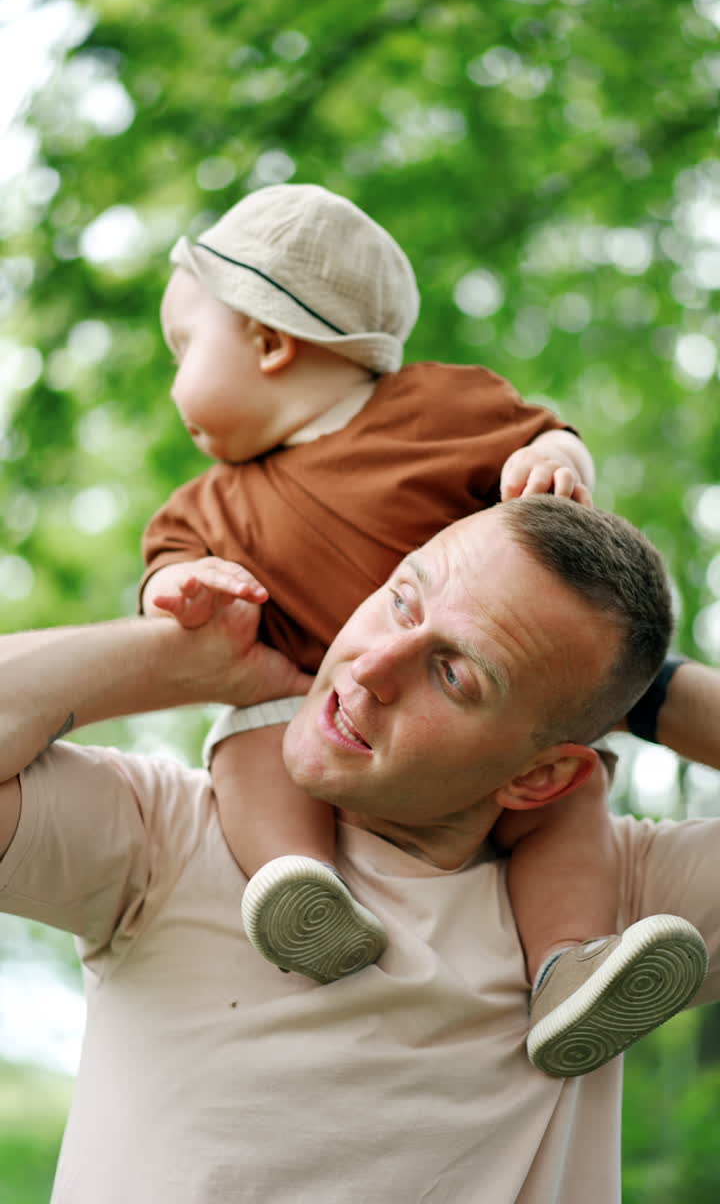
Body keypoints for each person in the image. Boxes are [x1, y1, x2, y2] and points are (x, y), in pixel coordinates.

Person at [0, 497, 715, 1204]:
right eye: (402, 602)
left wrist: (646, 693)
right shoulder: (169, 836)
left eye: (454, 673)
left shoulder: (615, 921)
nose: (372, 666)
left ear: (540, 776)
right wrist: (177, 660)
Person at [138, 182, 645, 1076]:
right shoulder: (208, 505)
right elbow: (161, 575)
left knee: (568, 800)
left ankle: (571, 968)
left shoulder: (442, 409)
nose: (173, 376)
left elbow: (551, 432)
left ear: (266, 340)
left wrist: (551, 461)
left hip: (478, 727)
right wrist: (181, 590)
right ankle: (302, 890)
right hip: (310, 712)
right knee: (249, 746)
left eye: (183, 345)